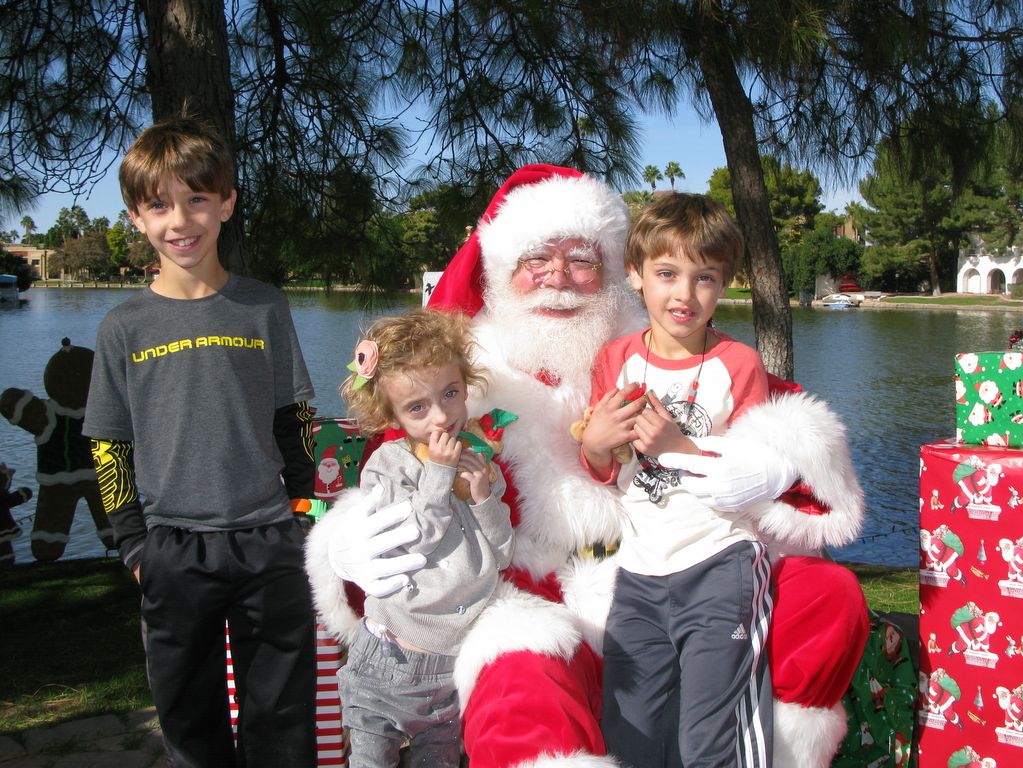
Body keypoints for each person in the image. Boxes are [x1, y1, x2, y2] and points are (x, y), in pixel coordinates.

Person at [306, 164, 868, 768]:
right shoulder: (455, 380)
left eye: (580, 259)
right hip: (528, 594)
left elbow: (789, 422)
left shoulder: (655, 344)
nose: (559, 280)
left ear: (614, 273)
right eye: (536, 261)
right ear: (500, 275)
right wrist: (346, 541)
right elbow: (395, 459)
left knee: (824, 595)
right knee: (520, 686)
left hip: (670, 566)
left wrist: (776, 464)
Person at [83, 115, 317, 768]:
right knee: (191, 725)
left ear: (226, 204)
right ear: (136, 216)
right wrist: (134, 546)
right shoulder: (122, 328)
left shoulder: (264, 306)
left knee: (283, 725)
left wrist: (303, 519)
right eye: (160, 204)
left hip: (268, 540)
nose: (180, 220)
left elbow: (294, 423)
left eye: (197, 199)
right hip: (172, 550)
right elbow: (108, 447)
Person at [581, 193, 773, 766]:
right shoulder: (616, 359)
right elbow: (607, 469)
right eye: (667, 274)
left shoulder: (739, 365)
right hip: (639, 572)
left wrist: (679, 449)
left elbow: (760, 477)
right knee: (631, 732)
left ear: (726, 284)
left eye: (705, 277)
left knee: (706, 740)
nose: (684, 295)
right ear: (636, 275)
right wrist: (594, 444)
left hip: (721, 564)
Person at [334, 309, 515, 767]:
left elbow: (502, 553)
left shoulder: (478, 459)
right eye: (417, 407)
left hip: (451, 668)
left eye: (450, 394)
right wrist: (438, 474)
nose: (441, 416)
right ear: (389, 413)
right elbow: (413, 542)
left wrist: (482, 498)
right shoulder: (388, 466)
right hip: (390, 658)